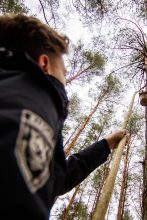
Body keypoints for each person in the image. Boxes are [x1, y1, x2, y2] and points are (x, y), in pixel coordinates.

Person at [0, 14, 126, 219]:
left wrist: (105, 144)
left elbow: (54, 179)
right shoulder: (32, 95)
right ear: (44, 63)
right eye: (64, 73)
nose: (65, 81)